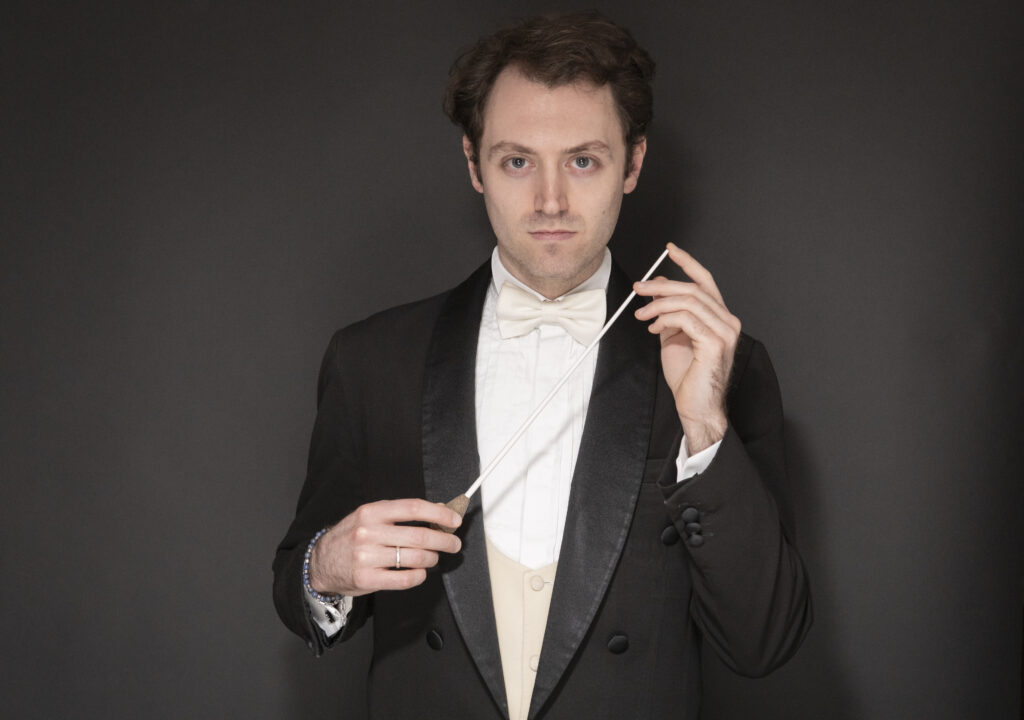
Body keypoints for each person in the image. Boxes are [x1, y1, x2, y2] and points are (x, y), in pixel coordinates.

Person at [273, 11, 811, 719]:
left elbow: (764, 641)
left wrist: (705, 427)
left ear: (633, 164)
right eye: (518, 162)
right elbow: (296, 583)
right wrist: (326, 567)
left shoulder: (723, 366)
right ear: (474, 165)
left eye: (583, 161)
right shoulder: (372, 359)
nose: (550, 201)